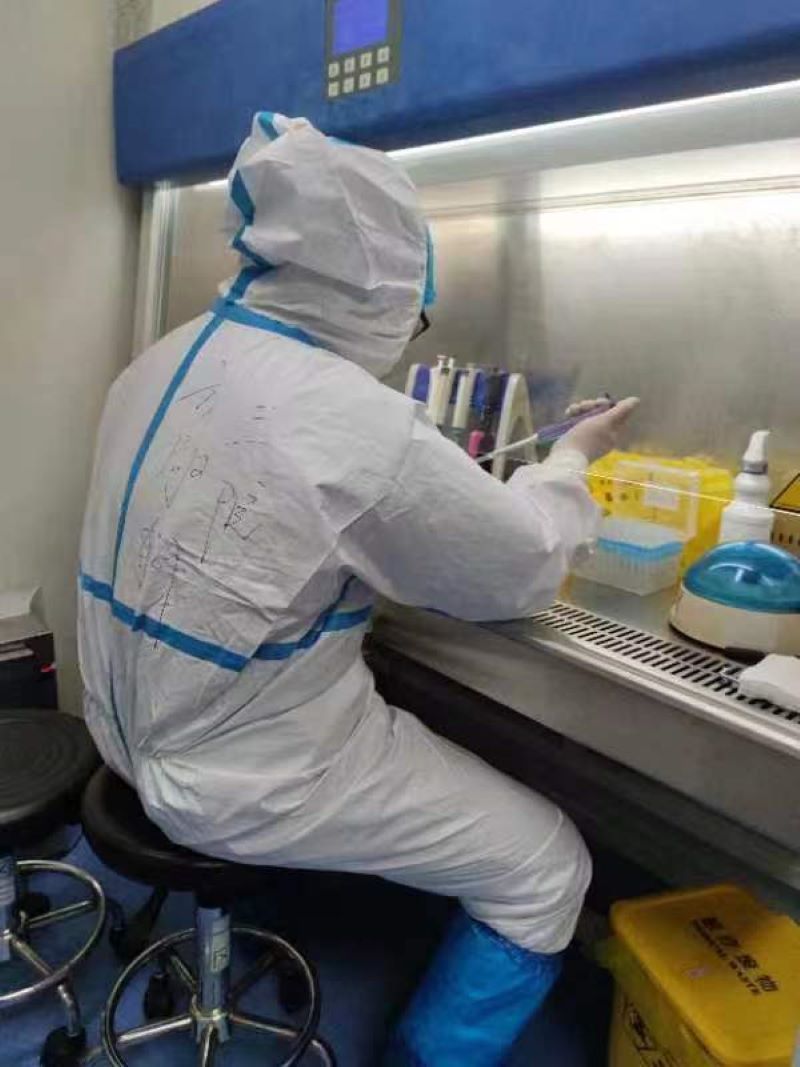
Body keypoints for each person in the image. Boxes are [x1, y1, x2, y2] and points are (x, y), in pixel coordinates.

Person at [78, 112, 638, 1065]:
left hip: (121, 726)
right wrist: (571, 458)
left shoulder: (160, 360)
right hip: (243, 776)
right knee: (547, 861)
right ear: (377, 286)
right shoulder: (347, 416)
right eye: (414, 313)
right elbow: (523, 567)